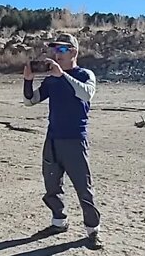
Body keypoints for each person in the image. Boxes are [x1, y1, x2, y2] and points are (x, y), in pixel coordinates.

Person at [22, 33, 103, 250]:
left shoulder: (86, 74)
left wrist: (63, 76)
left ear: (74, 52)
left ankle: (92, 231)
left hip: (75, 140)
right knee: (52, 185)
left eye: (63, 49)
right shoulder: (51, 80)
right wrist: (28, 81)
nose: (57, 54)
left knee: (83, 188)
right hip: (53, 139)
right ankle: (59, 222)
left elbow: (86, 95)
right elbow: (30, 101)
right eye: (55, 50)